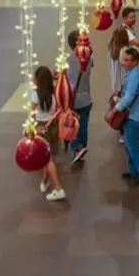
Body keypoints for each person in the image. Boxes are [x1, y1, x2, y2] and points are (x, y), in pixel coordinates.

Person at [26, 67, 67, 202]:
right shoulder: (54, 92)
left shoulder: (35, 94)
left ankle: (58, 188)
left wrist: (30, 129)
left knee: (47, 159)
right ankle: (44, 182)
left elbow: (31, 113)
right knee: (48, 157)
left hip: (40, 127)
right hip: (52, 127)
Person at [113, 46, 139, 184]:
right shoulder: (136, 72)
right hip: (136, 113)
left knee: (132, 145)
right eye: (123, 59)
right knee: (129, 144)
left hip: (133, 115)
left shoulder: (134, 76)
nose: (123, 62)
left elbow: (129, 97)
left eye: (127, 60)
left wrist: (116, 109)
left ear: (135, 62)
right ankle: (132, 170)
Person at [66, 30, 93, 164]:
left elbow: (57, 73)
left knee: (72, 125)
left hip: (73, 99)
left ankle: (76, 149)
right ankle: (83, 146)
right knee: (83, 124)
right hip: (87, 98)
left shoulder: (68, 59)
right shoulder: (89, 57)